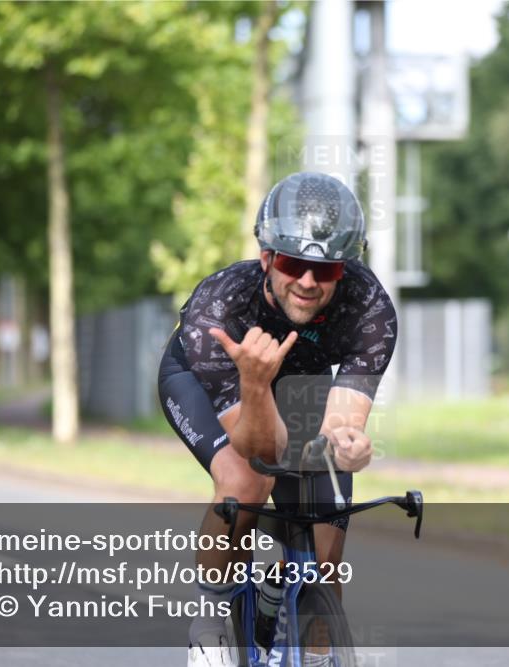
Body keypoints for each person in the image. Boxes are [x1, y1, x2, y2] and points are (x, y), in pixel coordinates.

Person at [158, 172, 397, 666]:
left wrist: (348, 444)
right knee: (245, 482)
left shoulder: (370, 309)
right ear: (267, 256)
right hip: (211, 379)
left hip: (300, 384)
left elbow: (340, 424)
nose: (308, 282)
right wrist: (253, 383)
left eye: (326, 270)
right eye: (293, 263)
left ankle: (307, 645)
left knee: (326, 536)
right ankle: (210, 617)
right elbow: (258, 448)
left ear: (345, 269)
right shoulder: (219, 308)